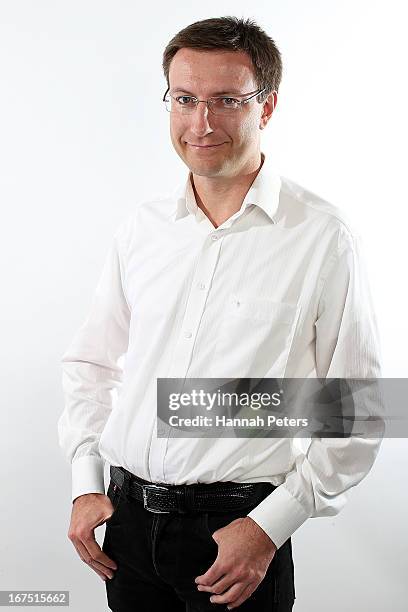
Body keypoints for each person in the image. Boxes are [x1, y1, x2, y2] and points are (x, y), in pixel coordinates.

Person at [58, 16, 384, 612]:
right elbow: (92, 363)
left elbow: (357, 406)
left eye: (226, 100)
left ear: (267, 106)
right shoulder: (142, 230)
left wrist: (269, 526)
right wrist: (86, 481)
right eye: (185, 99)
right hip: (126, 532)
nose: (200, 123)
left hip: (238, 533)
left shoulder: (322, 237)